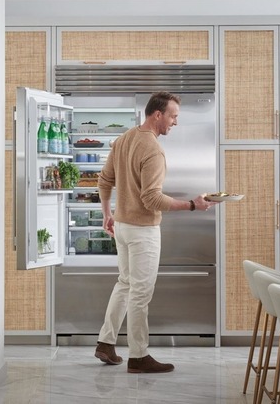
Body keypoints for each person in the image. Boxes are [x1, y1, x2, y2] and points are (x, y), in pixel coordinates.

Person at [93, 91, 217, 374]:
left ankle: (106, 342)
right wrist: (192, 205)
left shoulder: (124, 139)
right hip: (141, 231)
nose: (175, 122)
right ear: (157, 114)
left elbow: (104, 179)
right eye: (173, 116)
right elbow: (152, 199)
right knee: (140, 293)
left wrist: (107, 214)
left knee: (124, 284)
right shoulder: (152, 149)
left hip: (122, 227)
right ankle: (138, 356)